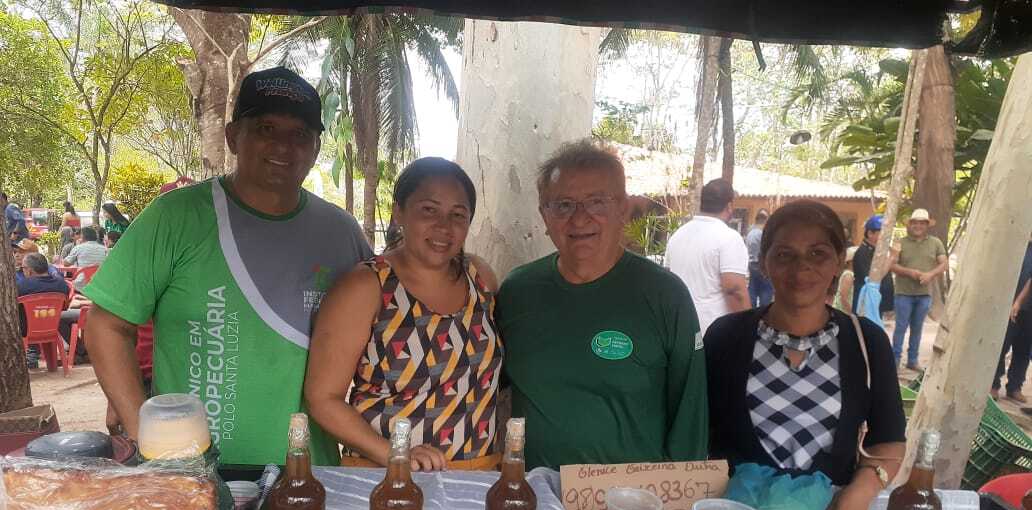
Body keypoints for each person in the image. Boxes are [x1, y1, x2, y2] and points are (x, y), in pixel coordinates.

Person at [84, 66, 373, 466]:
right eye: (266, 129)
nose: (283, 147)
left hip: (308, 476)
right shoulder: (175, 217)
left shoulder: (342, 233)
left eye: (300, 134)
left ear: (317, 148)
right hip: (192, 475)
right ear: (233, 136)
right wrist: (142, 431)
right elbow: (106, 324)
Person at [495, 139, 708, 469]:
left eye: (596, 203)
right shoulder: (517, 291)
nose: (580, 219)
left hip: (631, 506)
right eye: (563, 205)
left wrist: (677, 503)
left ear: (622, 209)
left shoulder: (665, 294)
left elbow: (690, 414)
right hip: (534, 497)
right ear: (544, 215)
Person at [705, 200, 906, 510]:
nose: (801, 269)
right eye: (784, 254)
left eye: (817, 254)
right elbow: (695, 432)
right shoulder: (726, 336)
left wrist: (862, 491)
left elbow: (888, 440)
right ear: (764, 263)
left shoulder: (866, 342)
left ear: (838, 261)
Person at [305, 158, 501, 471]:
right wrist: (395, 454)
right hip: (386, 478)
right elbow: (322, 398)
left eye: (458, 215)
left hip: (476, 479)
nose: (443, 226)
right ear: (399, 212)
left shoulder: (480, 278)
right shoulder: (367, 287)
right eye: (428, 209)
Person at [664, 178, 750, 333]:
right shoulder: (729, 238)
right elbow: (734, 290)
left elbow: (667, 281)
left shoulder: (678, 236)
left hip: (678, 327)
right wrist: (748, 329)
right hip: (712, 332)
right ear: (729, 206)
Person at [889, 209, 948, 370]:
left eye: (922, 223)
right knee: (900, 327)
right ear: (910, 225)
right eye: (915, 223)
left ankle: (912, 360)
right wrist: (909, 272)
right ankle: (894, 360)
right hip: (903, 293)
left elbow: (944, 263)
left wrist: (930, 274)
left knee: (917, 328)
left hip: (924, 294)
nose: (918, 226)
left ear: (927, 225)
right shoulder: (900, 242)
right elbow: (891, 265)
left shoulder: (935, 242)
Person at [992, 235, 1032, 402]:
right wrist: (1015, 303)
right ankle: (993, 384)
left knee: (1024, 349)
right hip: (1009, 305)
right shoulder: (1017, 246)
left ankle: (1015, 386)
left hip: (1029, 309)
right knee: (1001, 345)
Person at [16, 252, 69, 369]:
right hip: (53, 327)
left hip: (25, 330)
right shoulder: (61, 284)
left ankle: (31, 354)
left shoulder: (21, 286)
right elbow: (65, 307)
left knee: (25, 316)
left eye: (23, 268)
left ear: (29, 270)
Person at [850, 214, 895, 317]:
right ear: (870, 233)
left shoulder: (876, 251)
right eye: (882, 233)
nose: (886, 236)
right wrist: (891, 258)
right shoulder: (863, 252)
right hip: (867, 303)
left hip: (876, 301)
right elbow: (873, 279)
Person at [745, 209, 773, 307]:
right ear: (765, 221)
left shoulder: (750, 232)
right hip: (762, 264)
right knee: (766, 290)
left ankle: (751, 310)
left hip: (752, 264)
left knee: (753, 288)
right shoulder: (761, 234)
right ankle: (763, 311)